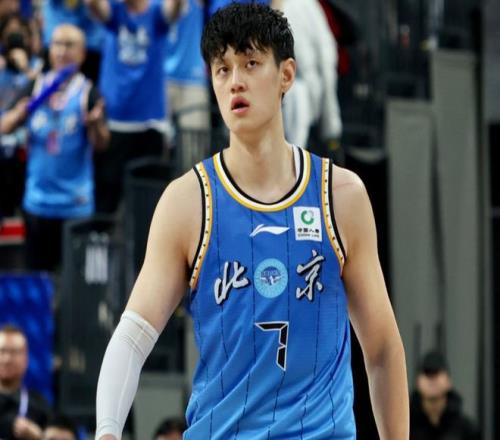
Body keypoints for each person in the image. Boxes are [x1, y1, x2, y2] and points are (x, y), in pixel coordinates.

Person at [95, 3, 408, 439]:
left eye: (251, 63)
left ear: (286, 74)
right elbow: (132, 337)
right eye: (222, 69)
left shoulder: (341, 195)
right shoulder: (187, 202)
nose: (235, 81)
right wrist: (107, 430)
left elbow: (382, 348)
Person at [0, 23, 109, 271]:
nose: (61, 51)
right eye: (57, 44)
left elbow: (102, 144)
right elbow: (4, 127)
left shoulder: (88, 92)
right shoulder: (36, 86)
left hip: (75, 207)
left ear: (82, 53)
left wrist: (94, 125)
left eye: (69, 45)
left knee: (73, 284)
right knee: (38, 281)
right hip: (37, 204)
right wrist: (19, 114)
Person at [84, 0, 183, 214]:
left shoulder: (156, 12)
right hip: (115, 122)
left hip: (150, 123)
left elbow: (174, 10)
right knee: (107, 200)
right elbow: (93, 5)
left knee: (148, 206)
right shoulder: (116, 11)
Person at [410, 351, 481, 440]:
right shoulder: (406, 428)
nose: (432, 379)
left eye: (436, 372)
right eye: (427, 373)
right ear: (417, 382)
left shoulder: (467, 430)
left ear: (448, 381)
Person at [0, 324, 52, 440]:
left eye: (14, 352)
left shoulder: (40, 406)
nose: (7, 359)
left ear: (26, 358)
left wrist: (39, 437)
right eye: (2, 351)